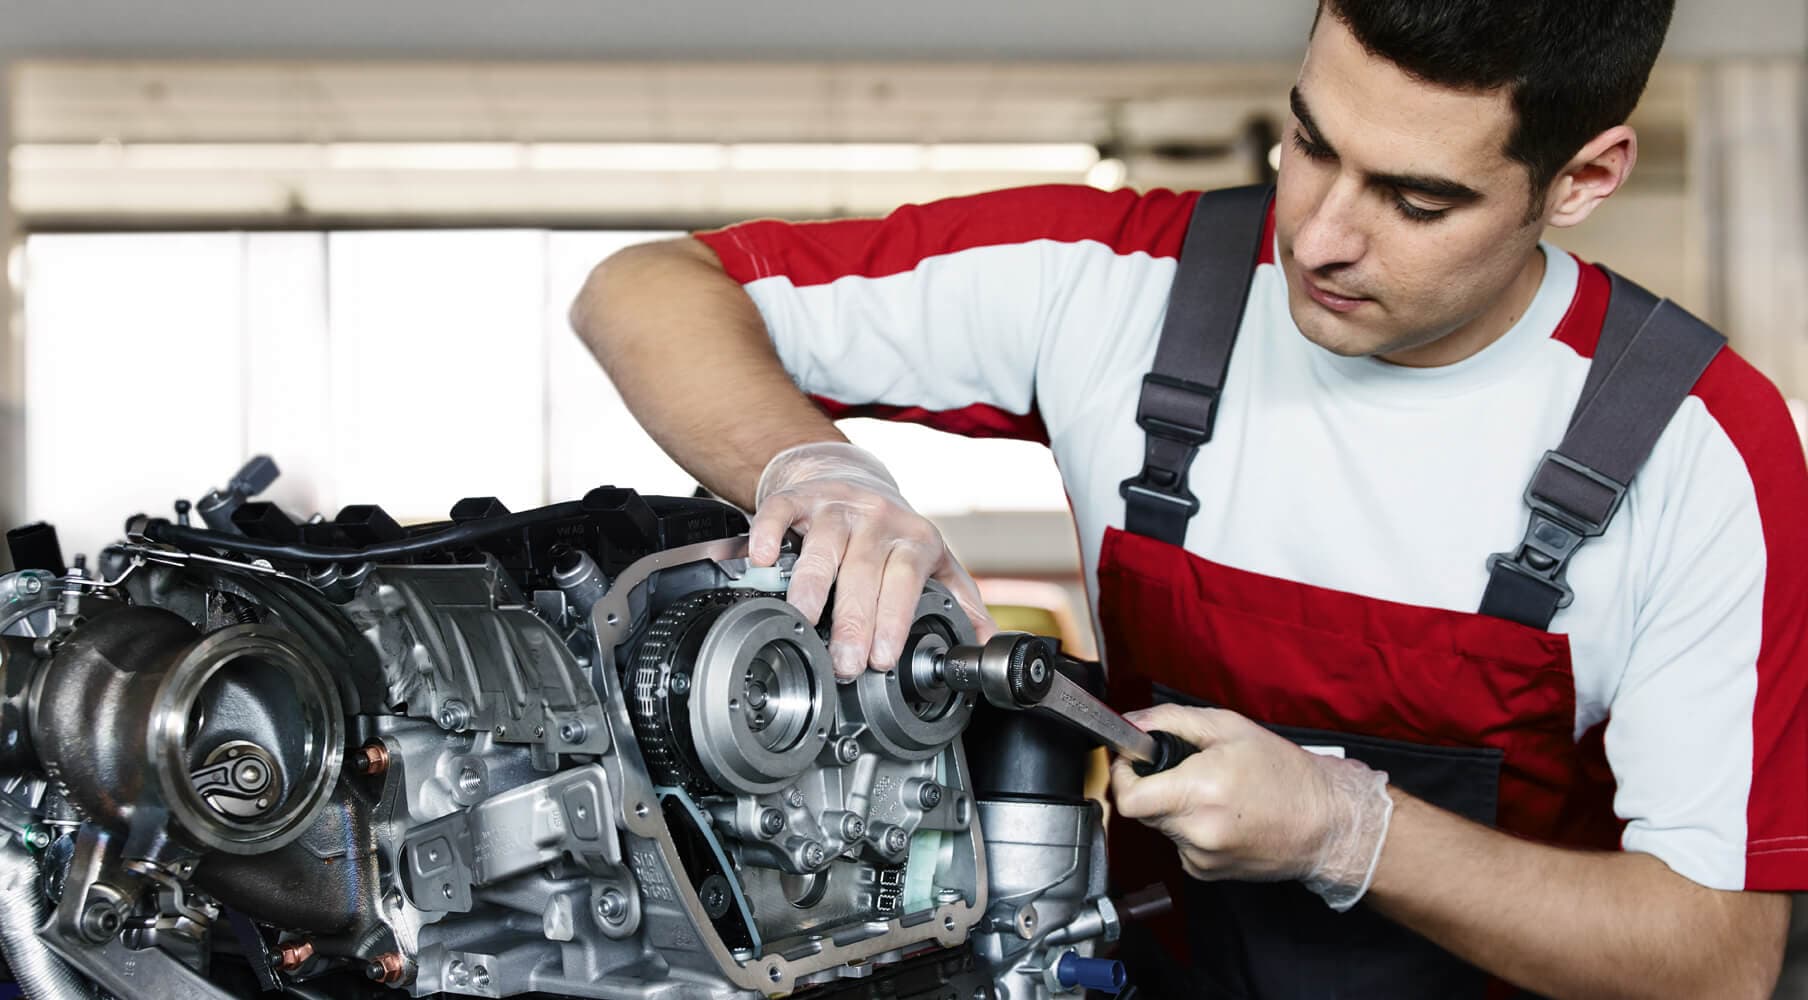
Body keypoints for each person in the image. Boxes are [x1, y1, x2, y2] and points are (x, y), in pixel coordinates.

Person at [569, 1, 1804, 995]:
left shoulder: (1695, 451)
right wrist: (817, 468)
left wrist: (1349, 833)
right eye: (1311, 141)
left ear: (1581, 179)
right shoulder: (1119, 284)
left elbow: (1710, 956)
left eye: (1415, 200)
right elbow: (645, 287)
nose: (1316, 236)